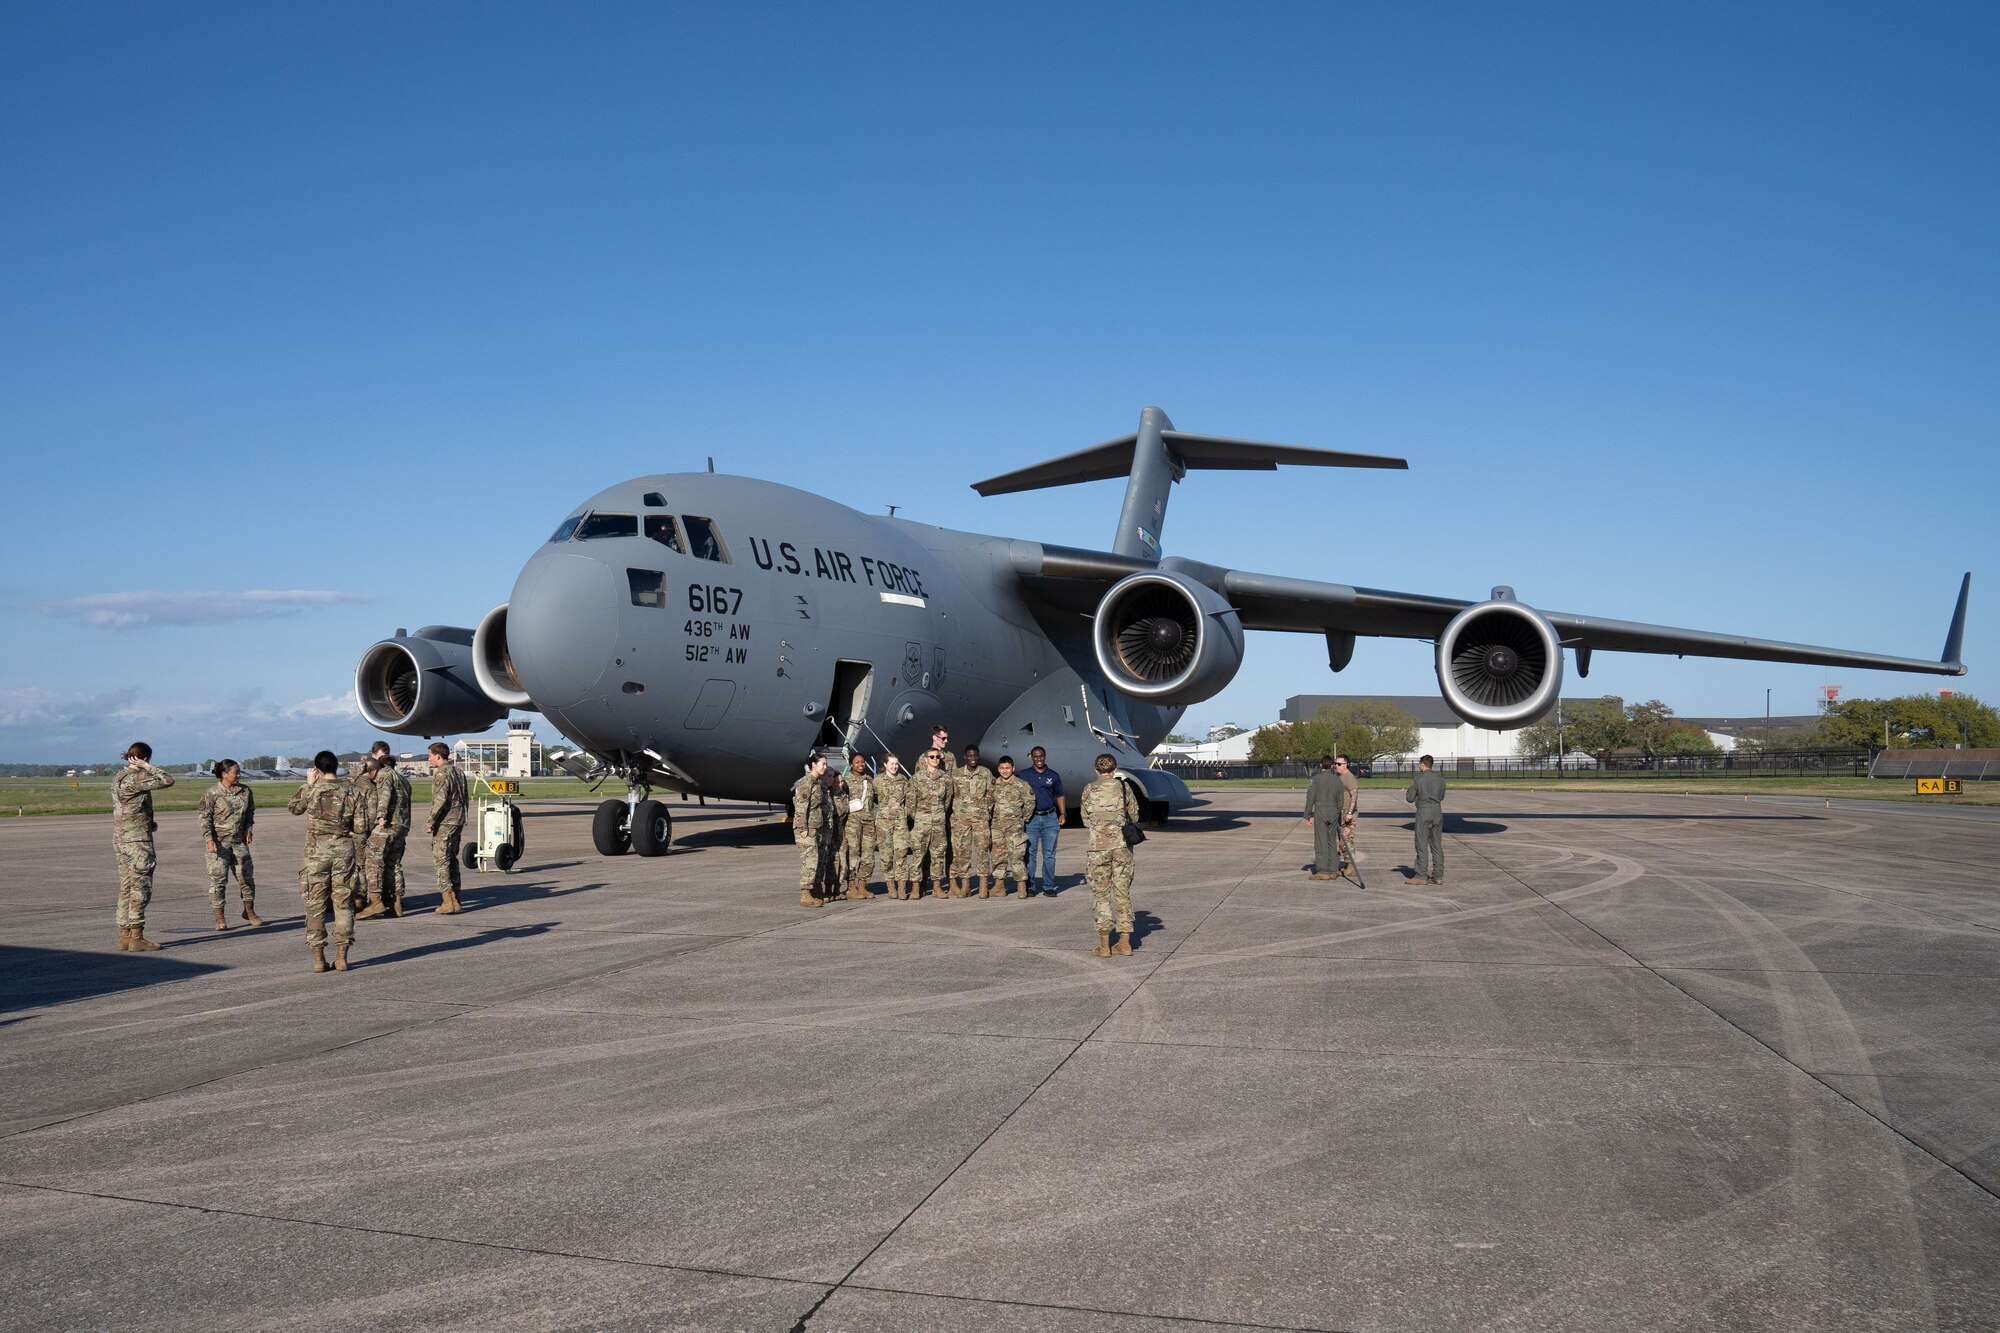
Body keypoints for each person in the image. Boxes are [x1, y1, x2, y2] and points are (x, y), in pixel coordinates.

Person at [287, 750, 361, 972]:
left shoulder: (312, 790)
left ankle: (318, 959)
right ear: (336, 767)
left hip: (316, 853)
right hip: (343, 851)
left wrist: (309, 785)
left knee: (315, 905)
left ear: (317, 769)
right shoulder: (352, 791)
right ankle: (342, 957)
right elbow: (360, 827)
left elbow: (294, 808)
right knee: (343, 904)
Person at [112, 741, 174, 951]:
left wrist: (148, 820)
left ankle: (124, 935)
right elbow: (167, 780)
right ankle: (137, 935)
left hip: (122, 839)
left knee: (126, 887)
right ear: (144, 758)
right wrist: (147, 767)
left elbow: (129, 808)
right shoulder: (138, 777)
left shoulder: (118, 778)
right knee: (140, 888)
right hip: (137, 842)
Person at [1080, 753, 1140, 956]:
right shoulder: (1124, 787)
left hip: (1098, 848)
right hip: (1122, 847)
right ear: (1114, 770)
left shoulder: (1089, 789)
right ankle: (1125, 943)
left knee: (1101, 895)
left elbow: (1085, 818)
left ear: (1096, 770)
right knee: (1122, 894)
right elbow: (1135, 814)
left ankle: (1104, 945)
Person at [197, 759, 262, 929]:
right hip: (219, 844)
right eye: (235, 772)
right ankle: (219, 918)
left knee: (246, 879)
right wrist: (208, 839)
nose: (239, 775)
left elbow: (250, 812)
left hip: (239, 843)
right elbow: (204, 818)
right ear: (224, 774)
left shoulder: (245, 791)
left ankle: (249, 911)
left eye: (239, 772)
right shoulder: (212, 793)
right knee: (218, 881)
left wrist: (249, 829)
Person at [358, 743, 411, 918]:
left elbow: (385, 794)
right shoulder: (402, 779)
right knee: (393, 865)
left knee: (372, 861)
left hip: (388, 824)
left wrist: (380, 815)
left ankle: (375, 902)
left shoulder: (383, 774)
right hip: (402, 826)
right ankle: (396, 904)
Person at [426, 742, 467, 914]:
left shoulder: (442, 773)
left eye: (430, 755)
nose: (429, 758)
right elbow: (465, 797)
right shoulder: (458, 771)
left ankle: (447, 900)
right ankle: (456, 899)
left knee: (441, 860)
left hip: (446, 821)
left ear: (438, 756)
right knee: (451, 858)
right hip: (458, 819)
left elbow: (440, 800)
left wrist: (430, 821)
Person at [949, 744, 994, 897]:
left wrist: (985, 809)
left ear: (978, 757)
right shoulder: (956, 774)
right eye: (969, 756)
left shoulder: (986, 773)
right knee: (962, 852)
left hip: (980, 820)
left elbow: (991, 794)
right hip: (961, 820)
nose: (972, 759)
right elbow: (951, 795)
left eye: (975, 756)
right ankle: (965, 885)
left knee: (982, 851)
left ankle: (983, 886)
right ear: (965, 757)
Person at [908, 748, 953, 899]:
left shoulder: (945, 778)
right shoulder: (917, 778)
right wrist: (920, 817)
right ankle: (915, 887)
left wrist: (938, 814)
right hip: (921, 823)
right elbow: (910, 803)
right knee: (918, 856)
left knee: (938, 856)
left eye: (937, 757)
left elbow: (947, 801)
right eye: (932, 757)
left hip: (939, 823)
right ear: (926, 759)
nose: (935, 759)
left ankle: (937, 887)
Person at [1021, 745, 1066, 897]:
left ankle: (1048, 886)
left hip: (1050, 818)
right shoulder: (1024, 775)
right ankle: (1031, 886)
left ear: (1045, 757)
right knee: (1030, 854)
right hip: (1031, 819)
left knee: (1049, 855)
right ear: (1031, 757)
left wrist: (1063, 813)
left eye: (1041, 756)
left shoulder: (1053, 776)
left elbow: (1060, 795)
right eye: (1035, 756)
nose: (1038, 759)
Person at [988, 755, 1035, 898]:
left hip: (1015, 828)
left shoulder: (1021, 784)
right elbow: (989, 803)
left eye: (1008, 768)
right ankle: (999, 886)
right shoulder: (993, 784)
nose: (1005, 771)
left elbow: (1030, 802)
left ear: (1013, 768)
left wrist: (1022, 818)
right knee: (997, 857)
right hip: (997, 827)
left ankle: (1021, 887)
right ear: (998, 769)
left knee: (1017, 857)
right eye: (1002, 768)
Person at [791, 754, 835, 906]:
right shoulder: (806, 782)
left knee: (818, 860)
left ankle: (815, 890)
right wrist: (803, 828)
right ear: (814, 765)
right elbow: (801, 808)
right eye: (823, 763)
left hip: (816, 829)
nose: (825, 766)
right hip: (806, 829)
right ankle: (805, 894)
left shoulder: (817, 783)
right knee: (810, 861)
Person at [836, 753, 876, 901]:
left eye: (863, 762)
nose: (861, 764)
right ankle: (851, 886)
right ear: (851, 764)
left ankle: (862, 885)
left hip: (868, 823)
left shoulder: (870, 781)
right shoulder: (845, 782)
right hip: (852, 823)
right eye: (857, 762)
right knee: (852, 855)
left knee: (868, 855)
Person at [873, 754, 914, 899]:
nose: (894, 766)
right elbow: (872, 798)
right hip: (884, 824)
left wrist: (905, 813)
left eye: (896, 764)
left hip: (900, 823)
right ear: (885, 764)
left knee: (901, 855)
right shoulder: (877, 781)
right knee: (886, 856)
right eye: (891, 763)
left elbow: (910, 799)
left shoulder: (903, 780)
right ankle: (891, 886)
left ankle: (902, 887)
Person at [1404, 754, 1447, 884]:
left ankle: (1421, 875)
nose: (1419, 766)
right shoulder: (1441, 780)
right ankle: (1438, 875)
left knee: (1421, 843)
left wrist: (1411, 788)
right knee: (1436, 844)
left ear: (1423, 764)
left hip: (1424, 812)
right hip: (1437, 812)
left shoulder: (1418, 780)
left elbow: (1409, 798)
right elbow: (1441, 796)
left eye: (1419, 764)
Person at [1302, 756, 1345, 880]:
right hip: (1333, 812)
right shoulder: (1338, 780)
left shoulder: (1315, 780)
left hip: (1320, 812)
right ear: (1332, 766)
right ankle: (1333, 868)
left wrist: (1307, 815)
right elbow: (1340, 800)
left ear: (1321, 765)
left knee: (1321, 841)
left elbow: (1310, 798)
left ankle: (1322, 870)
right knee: (1332, 840)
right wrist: (1336, 813)